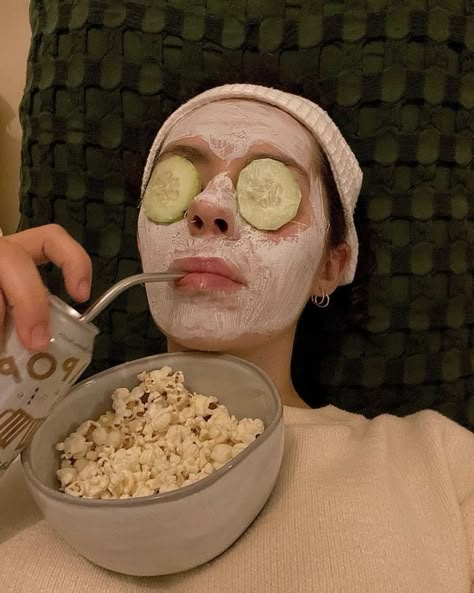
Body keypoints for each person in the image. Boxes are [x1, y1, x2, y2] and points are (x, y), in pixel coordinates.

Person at [0, 84, 472, 593]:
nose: (207, 206)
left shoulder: (439, 464)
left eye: (265, 187)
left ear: (332, 265)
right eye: (176, 183)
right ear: (142, 238)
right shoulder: (24, 458)